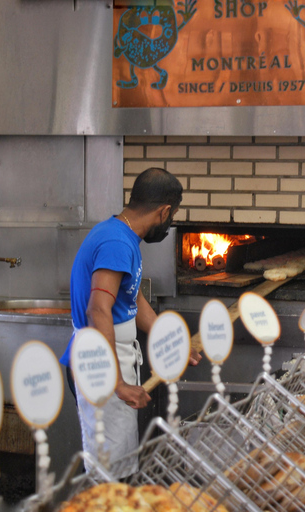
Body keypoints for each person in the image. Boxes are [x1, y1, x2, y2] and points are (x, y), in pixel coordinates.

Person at [59, 167, 201, 471]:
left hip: (114, 358)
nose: (170, 222)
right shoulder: (117, 243)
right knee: (110, 474)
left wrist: (173, 341)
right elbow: (98, 310)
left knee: (120, 462)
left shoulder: (119, 234)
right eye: (173, 215)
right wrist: (117, 383)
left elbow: (132, 299)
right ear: (164, 212)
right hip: (101, 365)